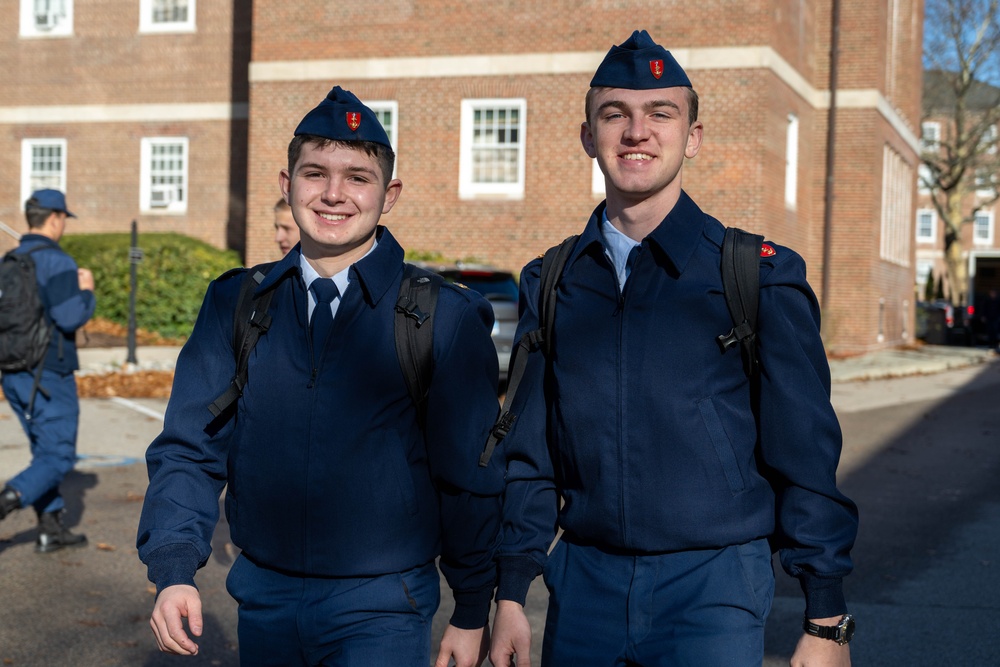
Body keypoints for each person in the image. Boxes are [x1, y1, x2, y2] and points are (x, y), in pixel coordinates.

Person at [489, 31, 859, 667]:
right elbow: (530, 453)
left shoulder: (756, 275)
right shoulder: (552, 281)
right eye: (616, 115)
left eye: (661, 113)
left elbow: (805, 452)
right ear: (588, 137)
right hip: (585, 586)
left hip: (714, 590)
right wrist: (512, 590)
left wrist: (826, 618)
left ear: (693, 137)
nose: (637, 132)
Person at [136, 86, 503, 667]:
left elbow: (470, 476)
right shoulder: (237, 303)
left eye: (358, 177)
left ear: (389, 195)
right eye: (316, 174)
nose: (334, 194)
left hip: (384, 606)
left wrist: (472, 607)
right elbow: (189, 447)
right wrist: (174, 567)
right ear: (288, 185)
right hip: (264, 598)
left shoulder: (442, 316)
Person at [0, 189, 96, 553]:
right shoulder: (57, 262)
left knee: (45, 452)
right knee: (58, 456)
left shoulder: (9, 261)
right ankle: (6, 502)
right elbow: (70, 317)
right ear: (55, 218)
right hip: (49, 375)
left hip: (13, 373)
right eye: (63, 219)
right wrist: (87, 291)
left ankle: (50, 530)